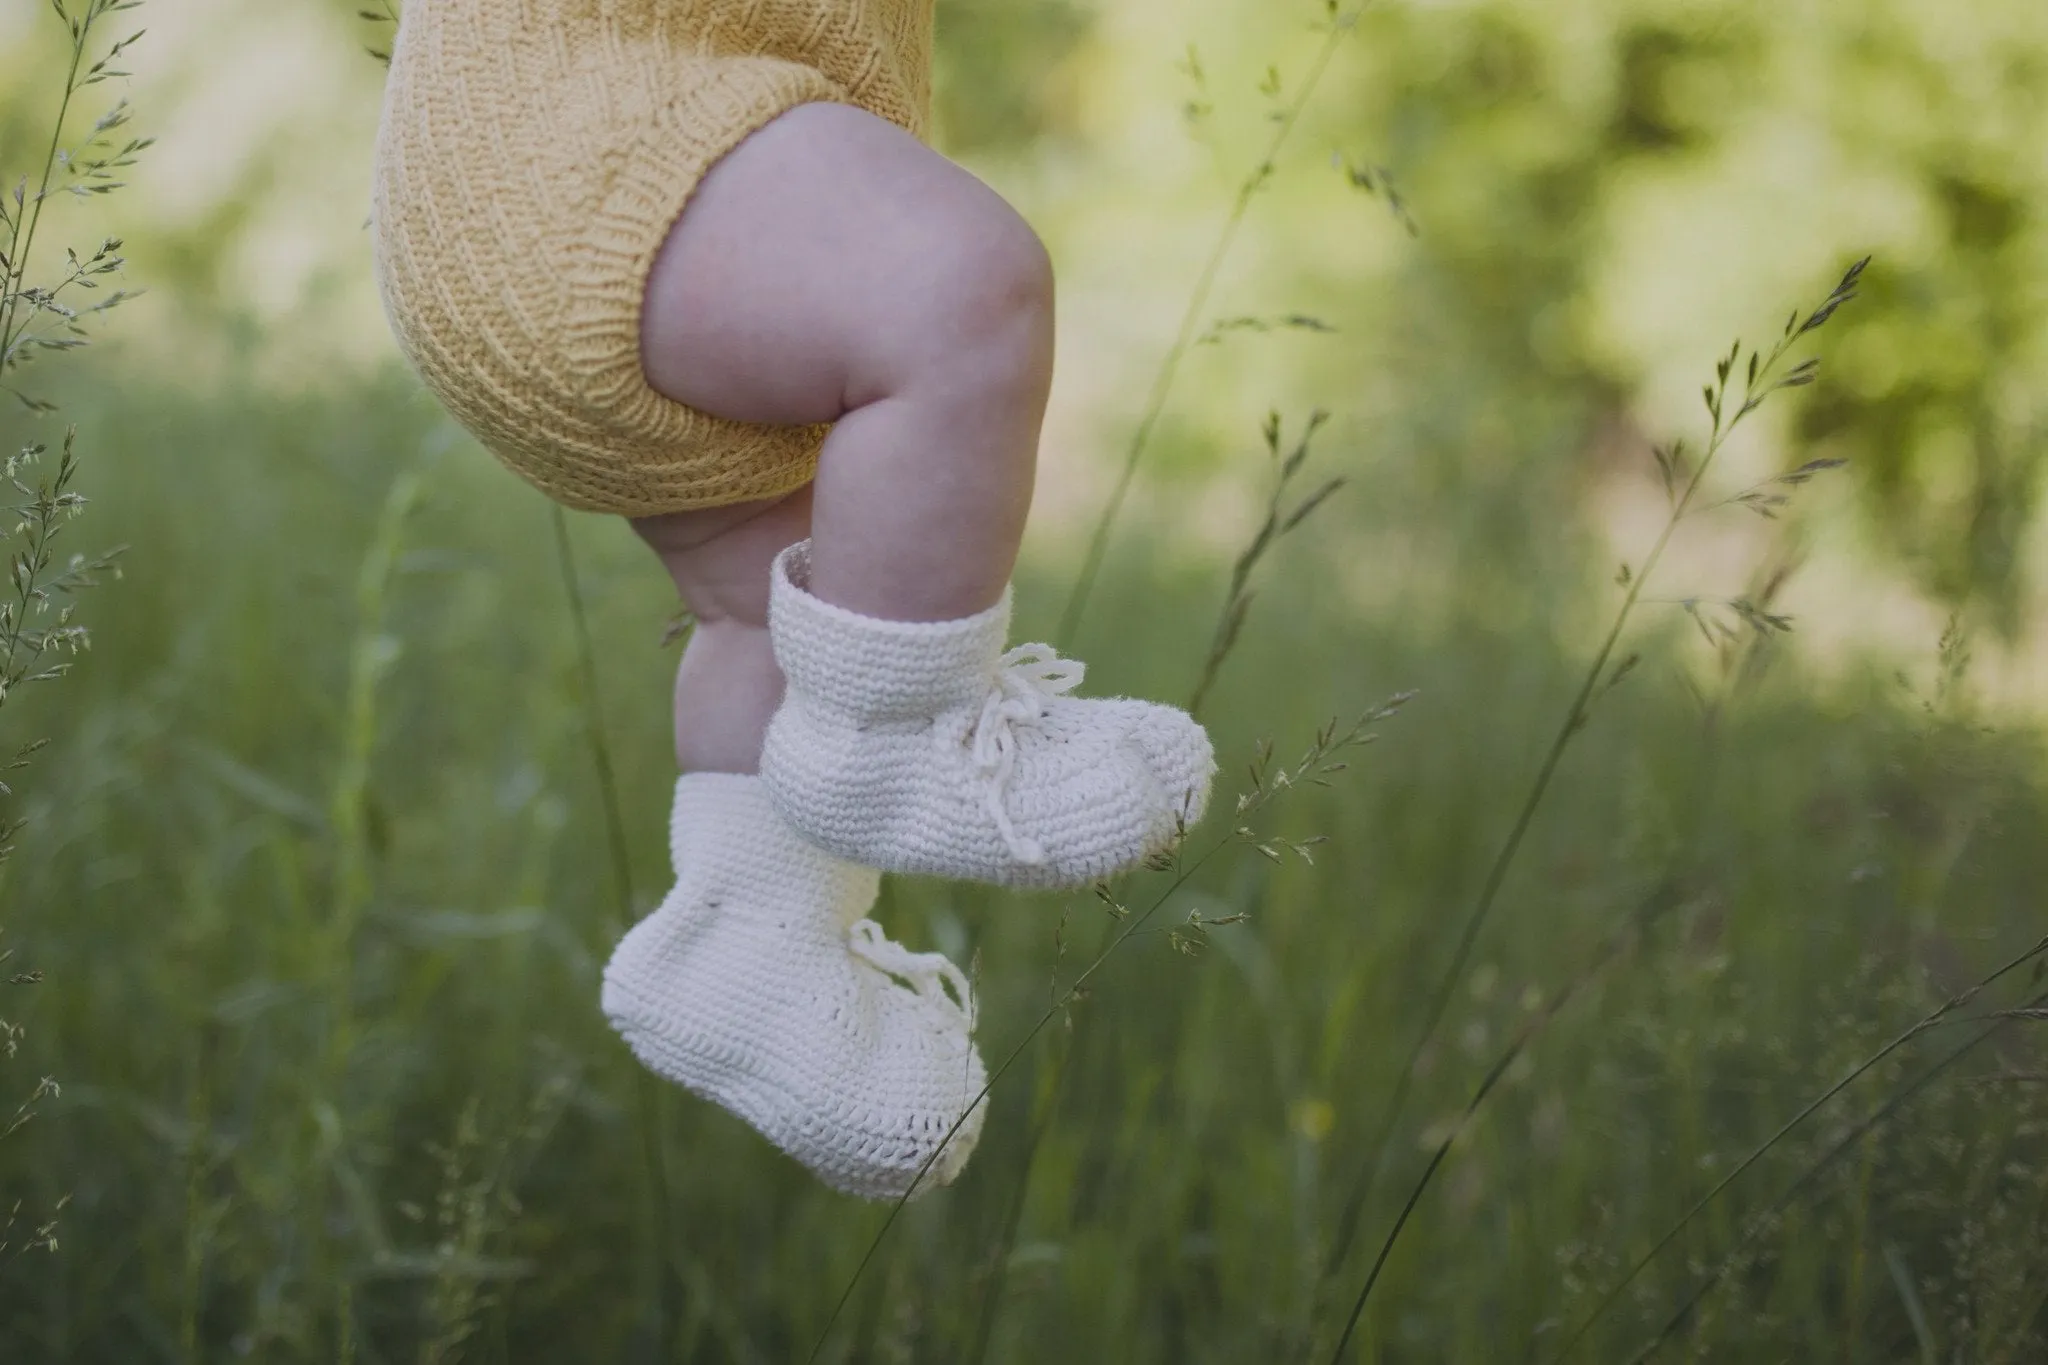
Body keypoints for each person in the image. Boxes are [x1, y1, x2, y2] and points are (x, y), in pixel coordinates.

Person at [369, 0, 1215, 1200]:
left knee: (769, 597)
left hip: (516, 184)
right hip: (595, 129)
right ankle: (895, 733)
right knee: (957, 290)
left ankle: (748, 933)